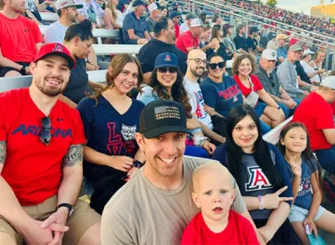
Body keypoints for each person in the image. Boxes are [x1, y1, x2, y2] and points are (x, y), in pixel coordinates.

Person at [101, 100, 255, 244]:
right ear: (141, 141)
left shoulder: (215, 175)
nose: (170, 150)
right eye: (159, 138)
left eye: (178, 137)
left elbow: (251, 235)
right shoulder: (119, 213)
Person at [0, 43, 101, 245]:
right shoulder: (5, 105)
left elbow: (73, 170)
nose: (56, 73)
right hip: (7, 208)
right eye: (48, 65)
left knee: (108, 239)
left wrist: (64, 210)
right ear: (33, 67)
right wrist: (28, 227)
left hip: (55, 202)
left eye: (63, 68)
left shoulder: (72, 116)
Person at [212, 104, 301, 244]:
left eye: (251, 127)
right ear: (230, 131)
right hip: (239, 224)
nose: (246, 133)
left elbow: (286, 195)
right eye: (239, 128)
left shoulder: (271, 150)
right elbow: (219, 199)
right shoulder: (222, 155)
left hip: (275, 222)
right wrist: (262, 202)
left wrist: (269, 229)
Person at [77, 54, 145, 214]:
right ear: (112, 72)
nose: (130, 79)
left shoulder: (139, 108)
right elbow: (79, 148)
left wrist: (136, 166)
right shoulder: (89, 105)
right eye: (125, 73)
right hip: (101, 173)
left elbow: (144, 144)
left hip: (134, 170)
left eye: (134, 75)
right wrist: (111, 160)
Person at [278, 123, 335, 245]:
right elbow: (289, 201)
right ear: (282, 141)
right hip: (292, 211)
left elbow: (317, 192)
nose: (297, 141)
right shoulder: (278, 165)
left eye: (302, 138)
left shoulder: (309, 160)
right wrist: (297, 177)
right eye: (292, 137)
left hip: (312, 206)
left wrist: (310, 217)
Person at [292, 76, 335, 203]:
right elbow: (333, 139)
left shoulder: (312, 98)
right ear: (334, 92)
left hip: (315, 147)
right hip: (315, 152)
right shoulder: (321, 105)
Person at [137, 53, 215, 157]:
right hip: (164, 144)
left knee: (214, 152)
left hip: (183, 140)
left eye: (172, 70)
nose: (168, 74)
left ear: (177, 73)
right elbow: (152, 123)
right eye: (163, 70)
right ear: (156, 73)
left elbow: (194, 124)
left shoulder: (180, 93)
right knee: (202, 155)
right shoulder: (148, 93)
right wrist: (185, 123)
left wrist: (202, 141)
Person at [180, 161, 259, 245]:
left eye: (223, 191)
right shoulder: (192, 233)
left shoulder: (244, 226)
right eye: (208, 193)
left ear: (232, 197)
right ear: (197, 200)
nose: (217, 199)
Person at [0, 0, 43, 77]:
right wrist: (22, 68)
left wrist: (36, 66)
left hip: (32, 65)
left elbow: (40, 52)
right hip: (8, 66)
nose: (24, 1)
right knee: (13, 76)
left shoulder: (31, 23)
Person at [232, 54, 285, 128]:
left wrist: (278, 107)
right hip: (247, 111)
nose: (245, 67)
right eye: (242, 65)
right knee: (268, 124)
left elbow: (263, 94)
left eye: (248, 64)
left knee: (280, 116)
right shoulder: (233, 81)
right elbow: (243, 104)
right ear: (237, 67)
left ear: (252, 66)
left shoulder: (253, 78)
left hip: (257, 105)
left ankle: (277, 138)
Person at [184, 49, 226, 145]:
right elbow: (194, 123)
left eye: (204, 62)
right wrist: (221, 139)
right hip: (207, 135)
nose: (202, 65)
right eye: (198, 61)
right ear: (188, 61)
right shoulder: (184, 87)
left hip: (214, 125)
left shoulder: (196, 84)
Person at [61, 20, 103, 106]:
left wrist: (101, 86)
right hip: (72, 111)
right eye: (88, 46)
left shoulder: (79, 58)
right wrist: (79, 111)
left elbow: (81, 82)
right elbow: (56, 95)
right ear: (76, 41)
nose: (89, 51)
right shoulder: (58, 61)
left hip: (88, 104)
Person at [138, 17, 187, 83]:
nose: (175, 30)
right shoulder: (148, 50)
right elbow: (148, 78)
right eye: (172, 28)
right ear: (164, 31)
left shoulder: (174, 48)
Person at [254, 49, 298, 118]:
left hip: (277, 99)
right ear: (261, 60)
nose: (271, 63)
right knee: (284, 108)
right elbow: (266, 96)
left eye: (273, 61)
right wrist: (285, 102)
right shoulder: (257, 74)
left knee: (296, 103)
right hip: (265, 102)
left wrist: (290, 100)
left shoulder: (271, 70)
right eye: (269, 61)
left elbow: (280, 90)